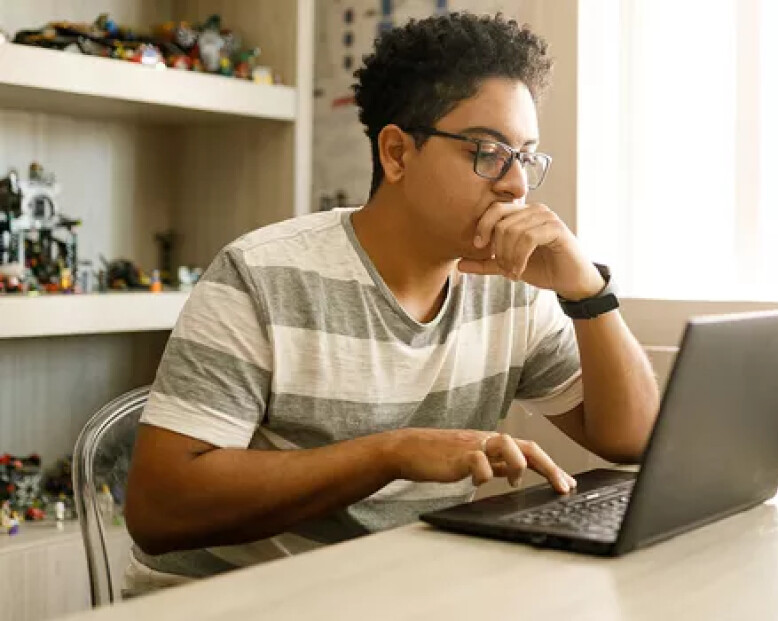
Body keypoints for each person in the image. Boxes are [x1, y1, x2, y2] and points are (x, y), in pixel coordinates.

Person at [122, 12, 659, 595]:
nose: (516, 186)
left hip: (403, 593)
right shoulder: (263, 275)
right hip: (241, 601)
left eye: (525, 156)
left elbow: (629, 438)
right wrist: (392, 454)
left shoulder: (510, 287)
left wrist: (587, 293)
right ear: (398, 154)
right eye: (488, 152)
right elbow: (160, 510)